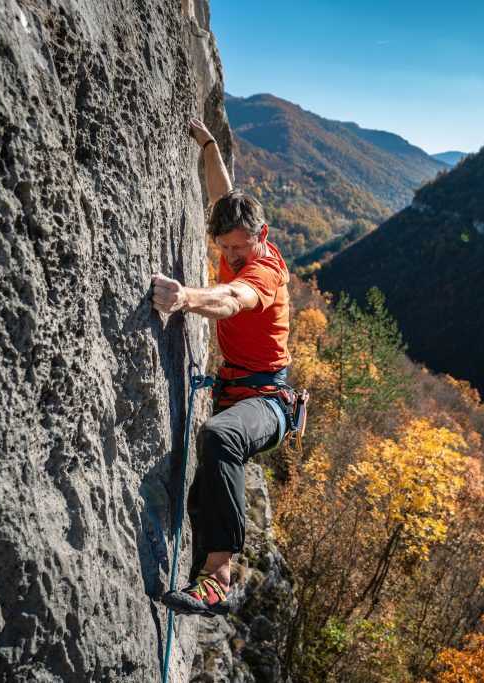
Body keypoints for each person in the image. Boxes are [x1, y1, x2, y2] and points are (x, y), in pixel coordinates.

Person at [150, 118, 291, 617]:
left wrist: (187, 297)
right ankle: (197, 580)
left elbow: (234, 299)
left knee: (220, 438)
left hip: (270, 402)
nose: (231, 256)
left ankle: (220, 579)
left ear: (262, 236)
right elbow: (222, 195)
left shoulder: (265, 269)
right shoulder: (236, 231)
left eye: (240, 247)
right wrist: (209, 144)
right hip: (237, 394)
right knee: (199, 492)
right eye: (224, 248)